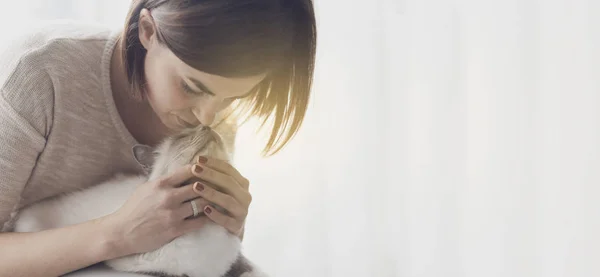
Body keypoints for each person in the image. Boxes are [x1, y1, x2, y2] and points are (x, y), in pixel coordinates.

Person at [0, 0, 316, 276]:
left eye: (232, 98)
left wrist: (222, 232)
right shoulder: (39, 75)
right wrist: (115, 235)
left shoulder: (215, 122)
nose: (208, 119)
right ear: (148, 30)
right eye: (192, 87)